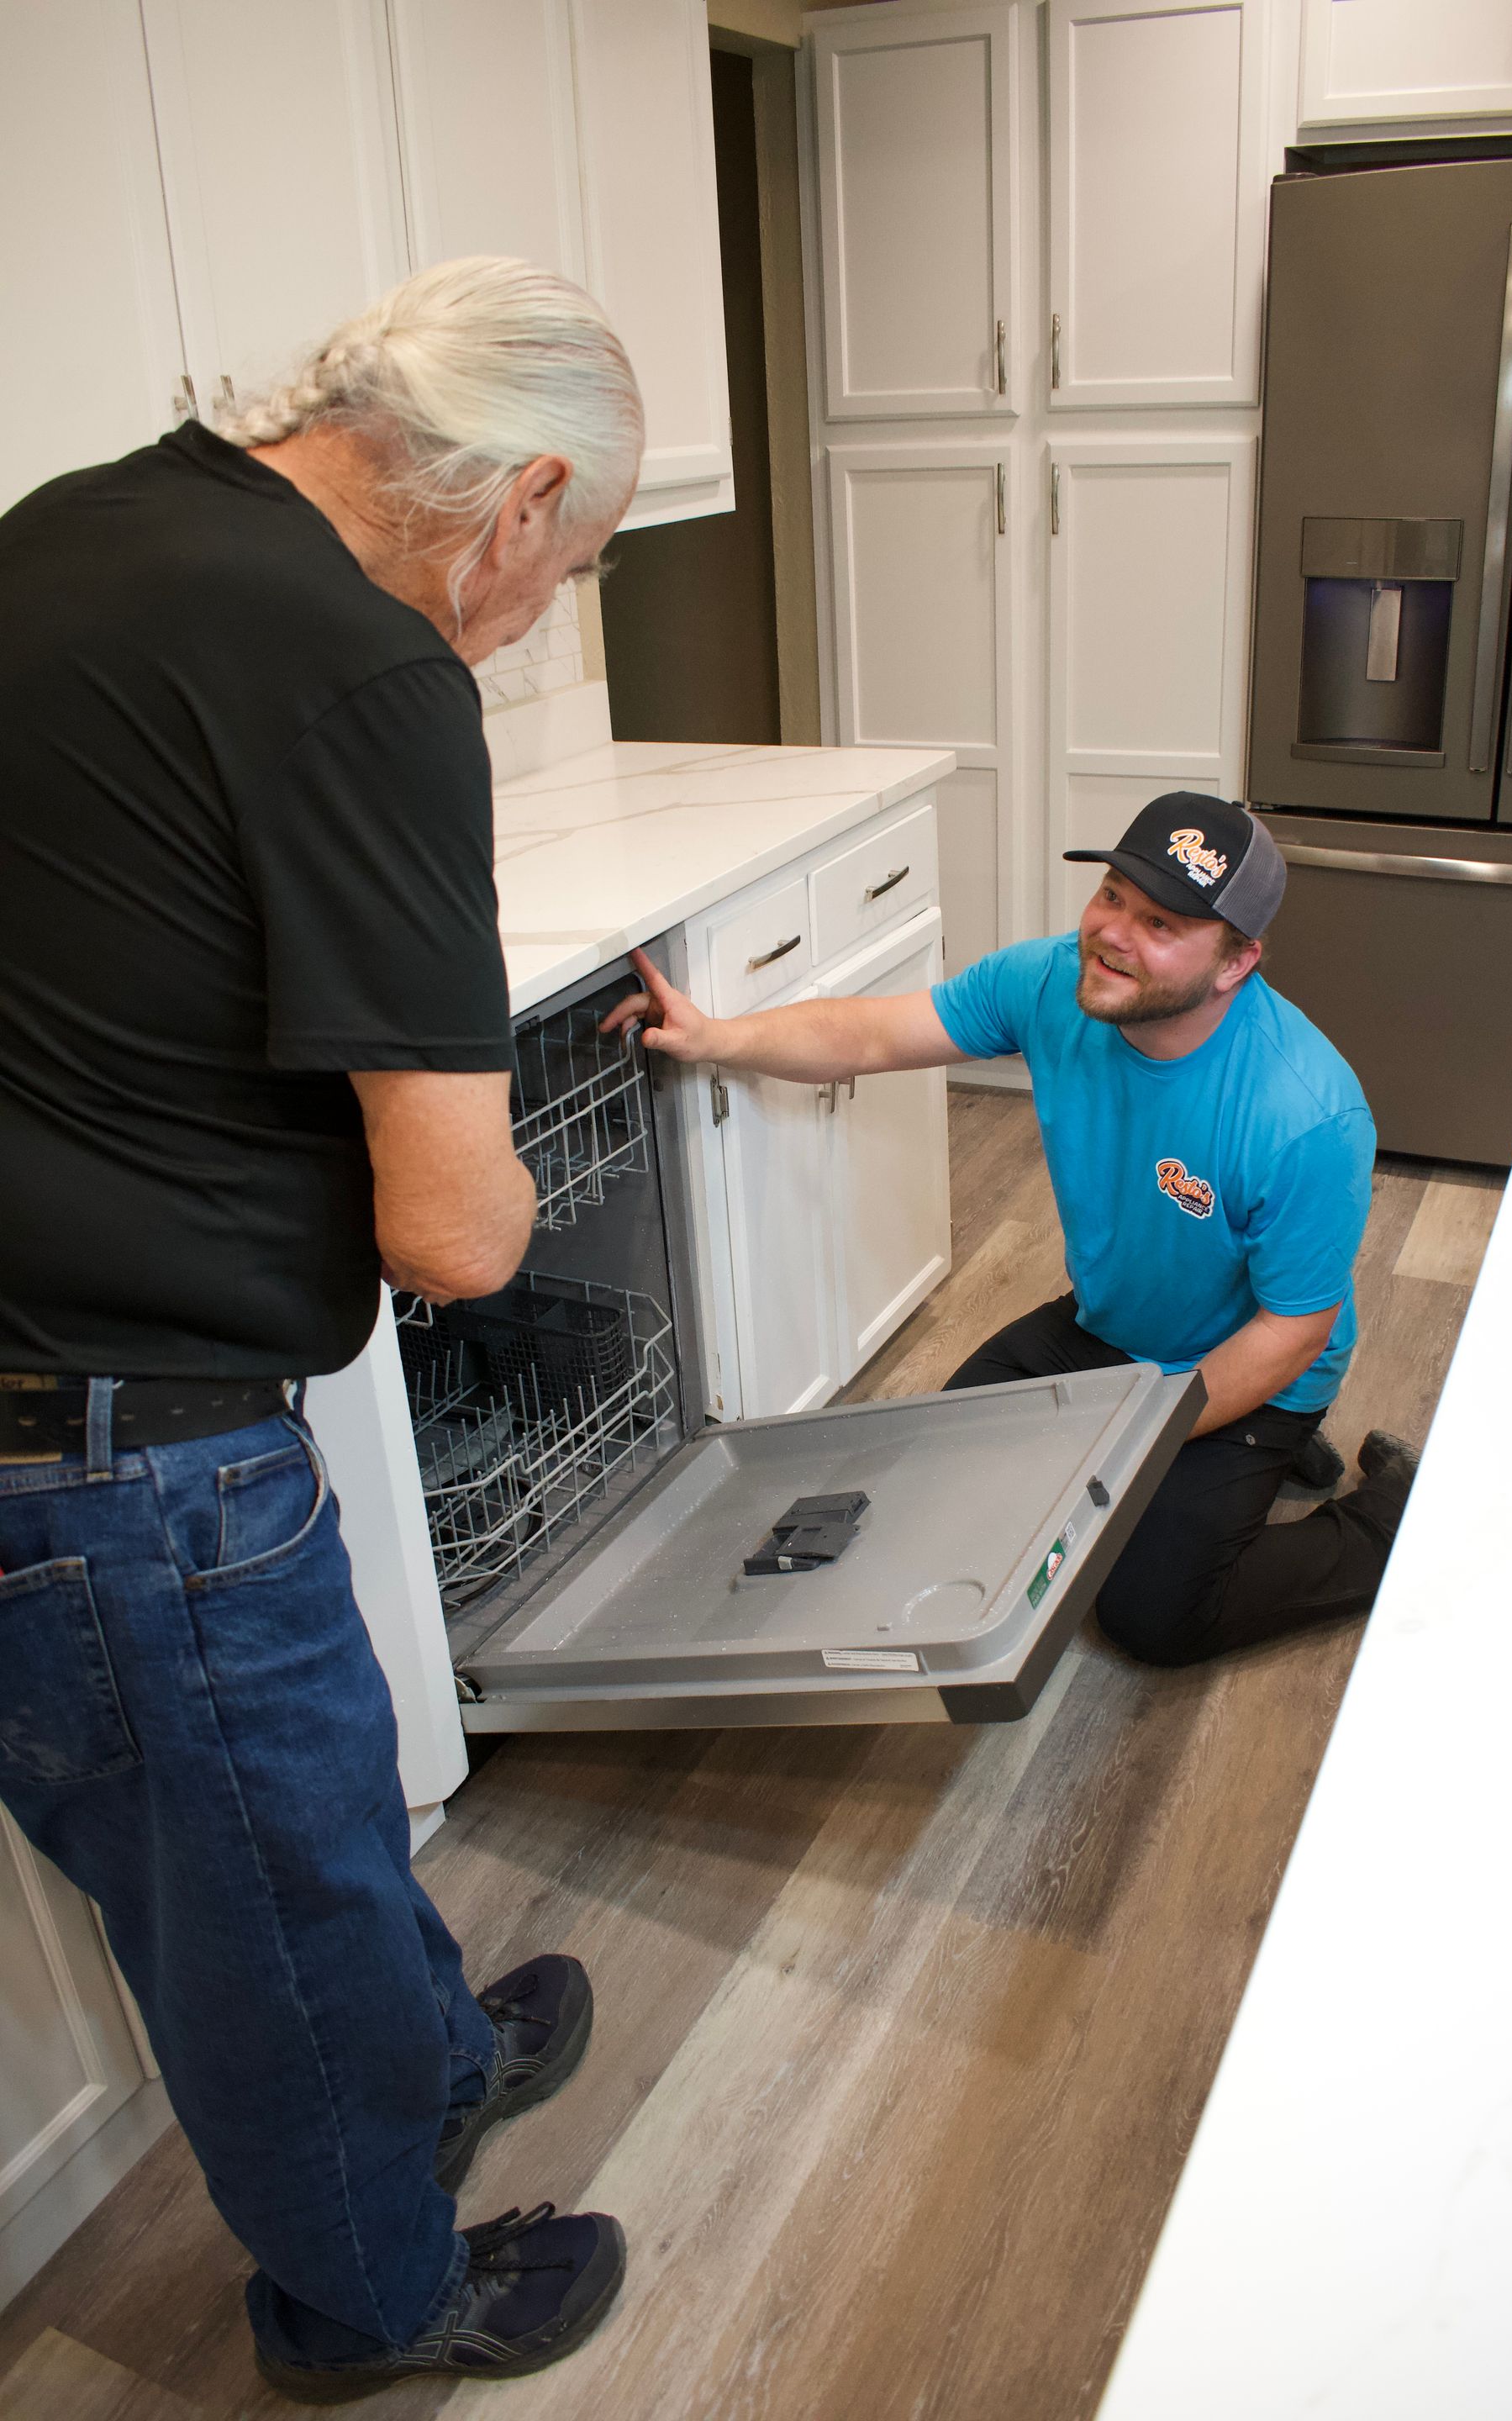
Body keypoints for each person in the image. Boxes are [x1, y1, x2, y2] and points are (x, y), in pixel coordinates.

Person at [0, 258, 641, 2400]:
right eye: (581, 563)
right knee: (266, 1918)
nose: (541, 609)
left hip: (74, 1387)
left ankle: (438, 2055)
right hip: (118, 1445)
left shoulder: (77, 526)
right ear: (517, 498)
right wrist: (529, 1183)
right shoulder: (363, 665)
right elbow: (457, 1235)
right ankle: (374, 2302)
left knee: (318, 1808)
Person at [606, 792, 1418, 1668]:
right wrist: (715, 1035)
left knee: (1154, 1613)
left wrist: (1141, 1433)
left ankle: (1389, 1514)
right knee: (928, 1486)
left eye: (1161, 922)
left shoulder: (1305, 1112)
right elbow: (867, 1034)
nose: (1112, 932)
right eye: (1112, 894)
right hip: (1107, 1328)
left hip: (1256, 1365)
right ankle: (1238, 1467)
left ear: (1234, 963)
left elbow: (1294, 1331)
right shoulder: (1049, 983)